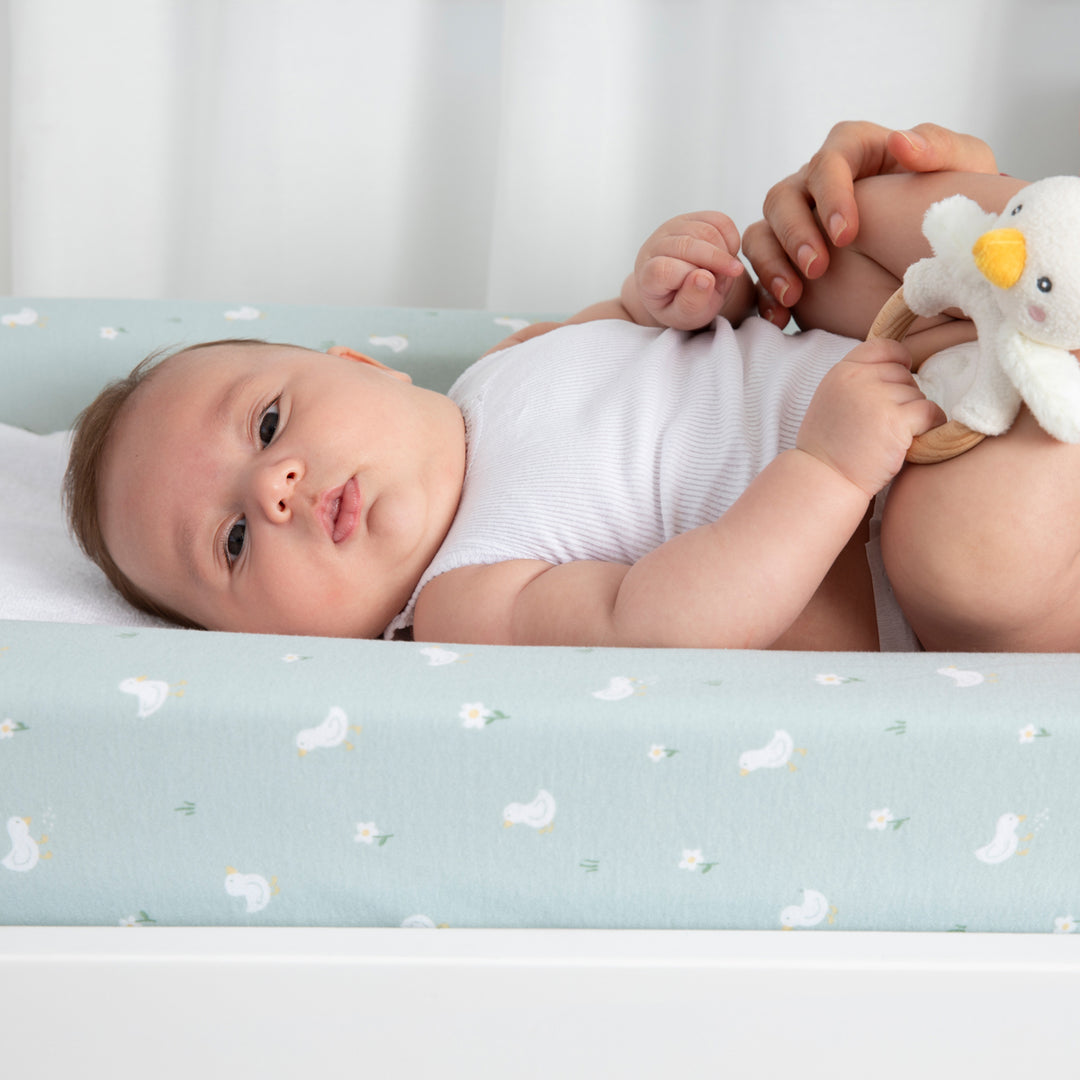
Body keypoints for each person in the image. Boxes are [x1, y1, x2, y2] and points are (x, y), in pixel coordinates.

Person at [64, 122, 1038, 652]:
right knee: (960, 550)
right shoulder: (465, 601)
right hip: (902, 514)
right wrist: (828, 471)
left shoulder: (508, 364)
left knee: (831, 237)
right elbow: (655, 624)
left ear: (362, 366)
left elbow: (677, 339)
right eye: (233, 541)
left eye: (269, 422)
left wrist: (685, 285)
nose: (273, 488)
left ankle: (1042, 259)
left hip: (914, 353)